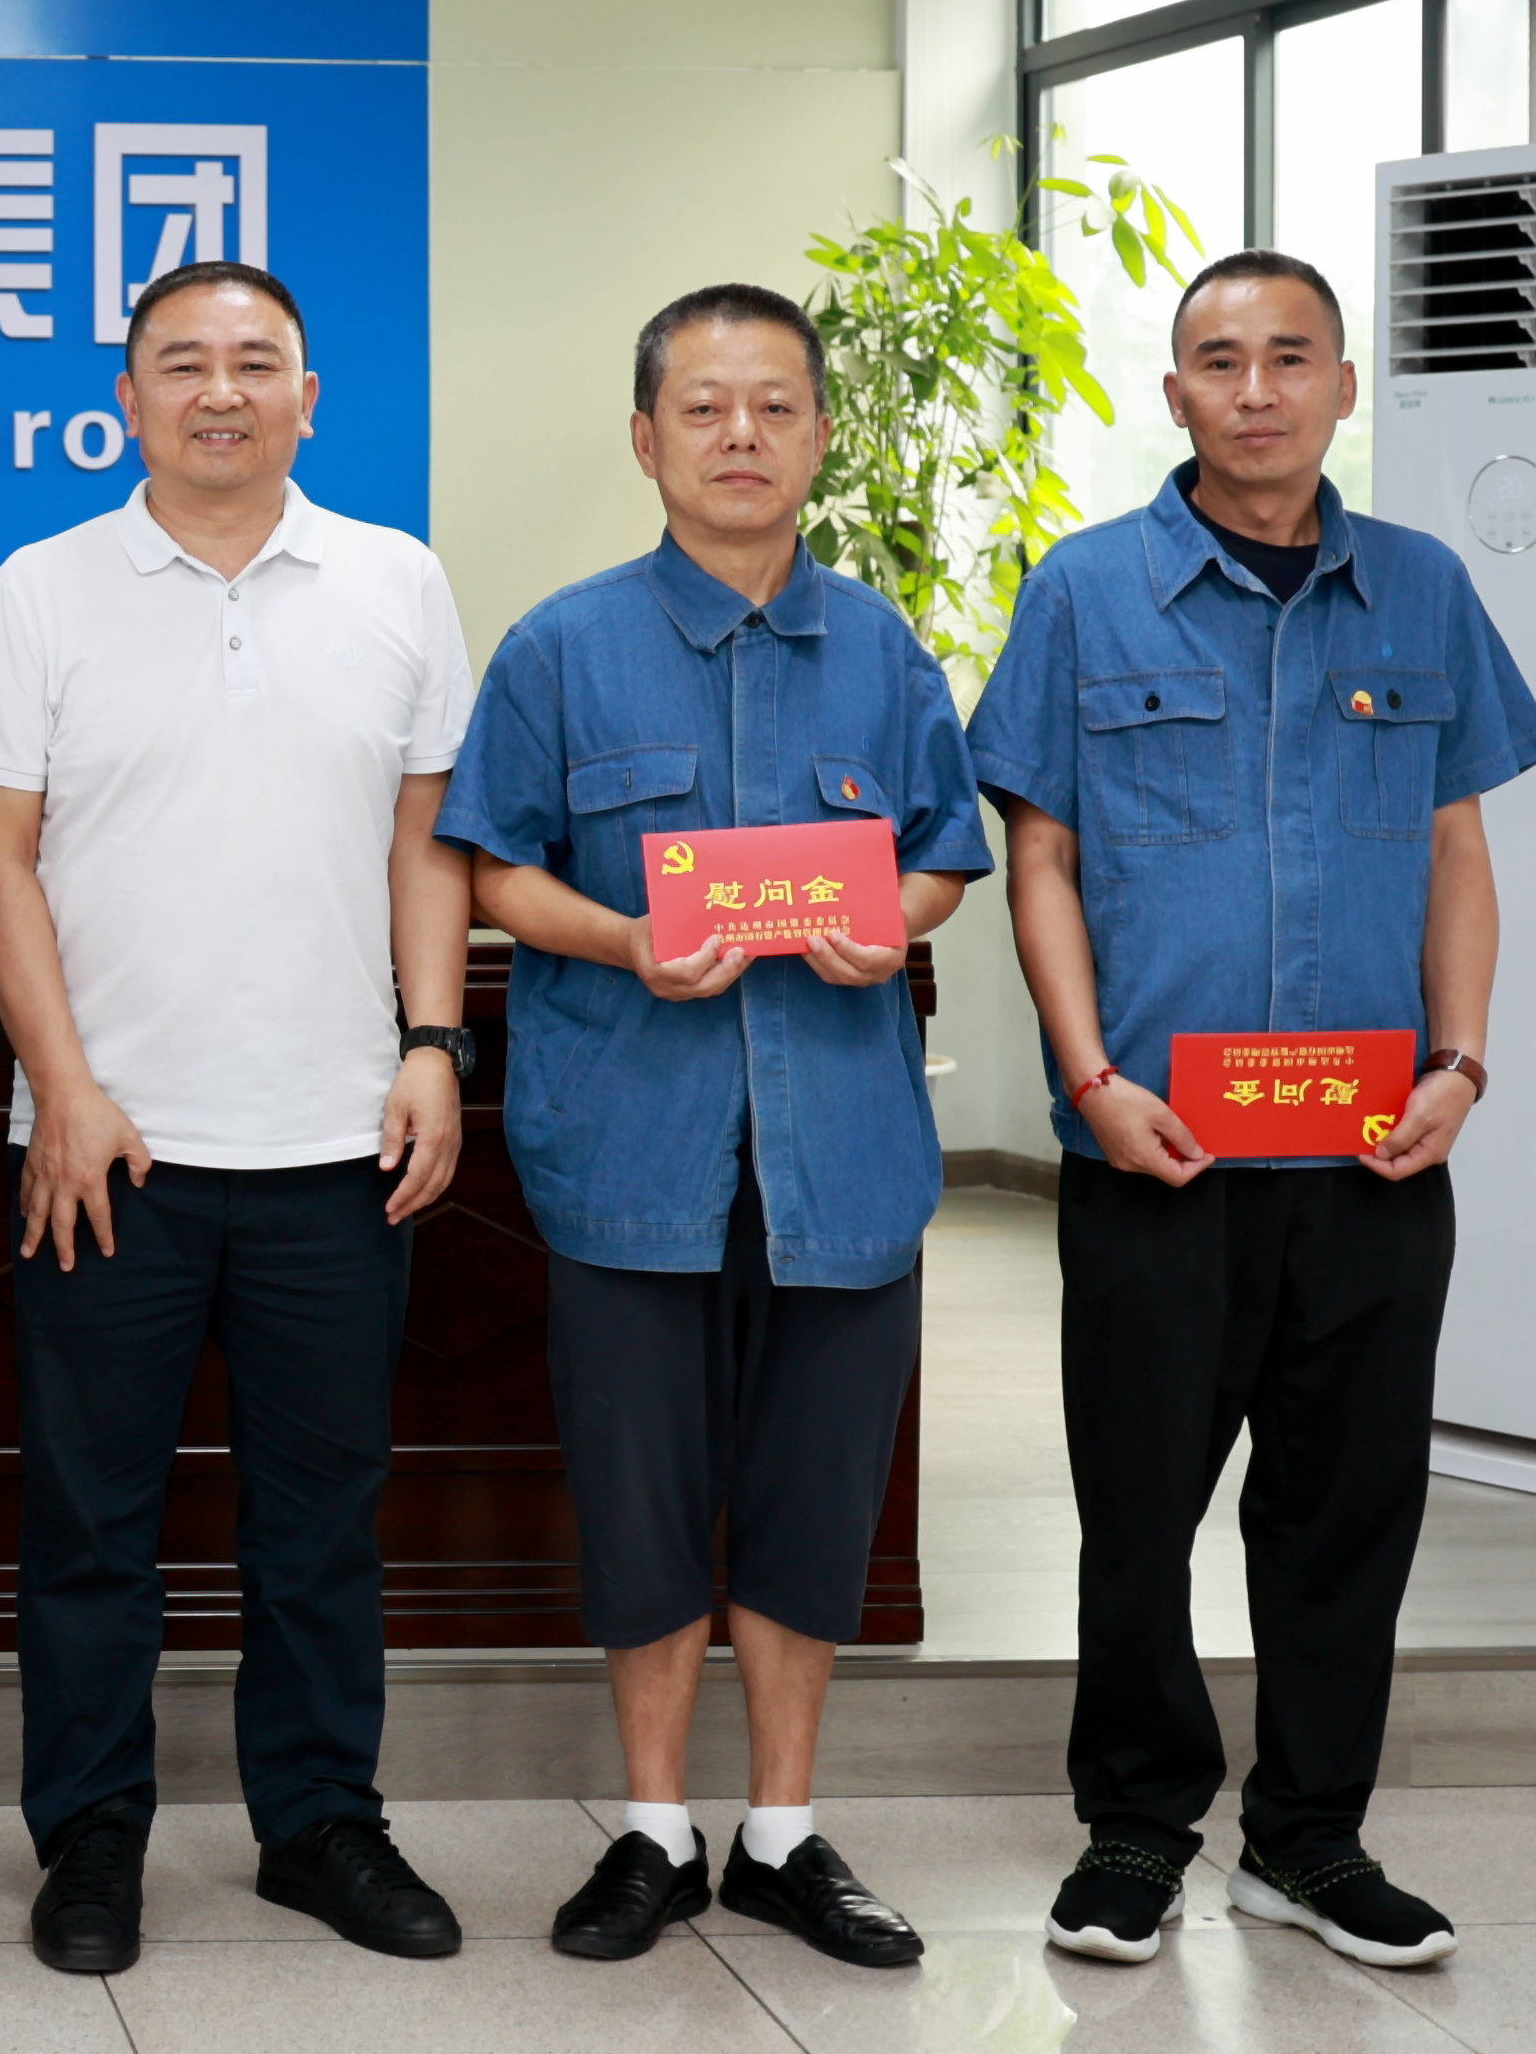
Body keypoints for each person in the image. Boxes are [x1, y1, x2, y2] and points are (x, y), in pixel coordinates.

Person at [969, 251, 1536, 1976]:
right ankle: (1136, 1826)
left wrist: (1460, 1062)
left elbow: (1453, 847)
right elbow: (1039, 857)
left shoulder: (1422, 589)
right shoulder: (1085, 591)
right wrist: (1089, 1078)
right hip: (1160, 1150)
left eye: (1289, 357)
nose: (1255, 390)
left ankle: (1307, 1837)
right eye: (1217, 361)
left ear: (1340, 387)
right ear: (1173, 396)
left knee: (1346, 1510)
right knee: (1136, 1506)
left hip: (1372, 1153)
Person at [441, 285, 983, 1975]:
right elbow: (492, 867)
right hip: (631, 1146)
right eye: (702, 407)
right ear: (644, 438)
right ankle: (655, 1828)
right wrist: (619, 939)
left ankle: (783, 1833)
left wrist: (890, 920)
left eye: (772, 405)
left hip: (841, 1153)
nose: (739, 434)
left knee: (814, 1498)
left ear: (816, 434)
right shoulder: (558, 647)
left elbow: (943, 853)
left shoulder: (881, 648)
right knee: (642, 1497)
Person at [0, 260, 478, 1977]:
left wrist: (430, 1041)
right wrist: (62, 1088)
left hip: (337, 1140)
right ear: (125, 400)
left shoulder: (396, 580)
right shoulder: (38, 588)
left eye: (256, 361)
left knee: (319, 1521)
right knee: (88, 1524)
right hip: (108, 1147)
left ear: (307, 398)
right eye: (180, 363)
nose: (219, 390)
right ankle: (89, 1833)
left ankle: (319, 1820)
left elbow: (426, 840)